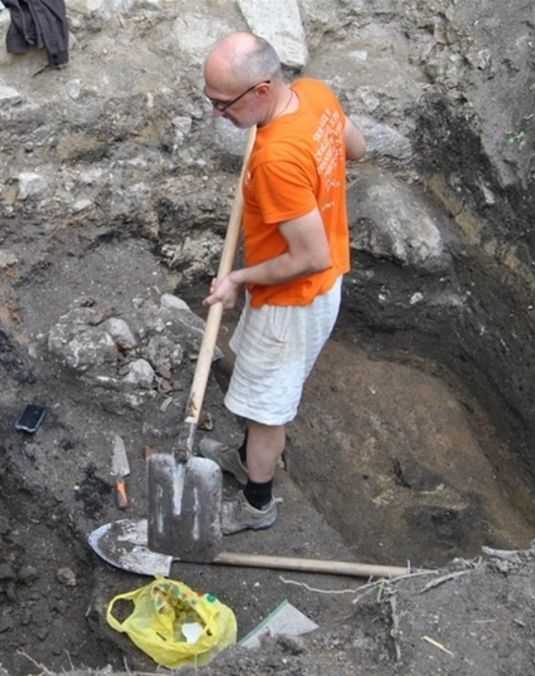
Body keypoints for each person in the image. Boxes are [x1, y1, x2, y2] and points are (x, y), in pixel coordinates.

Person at [197, 32, 366, 534]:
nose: (217, 114)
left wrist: (238, 278)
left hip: (293, 300)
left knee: (267, 406)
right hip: (308, 289)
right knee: (257, 386)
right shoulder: (315, 94)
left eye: (223, 104)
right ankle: (247, 457)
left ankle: (256, 504)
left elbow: (309, 256)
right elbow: (355, 148)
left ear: (263, 90)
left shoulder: (275, 160)